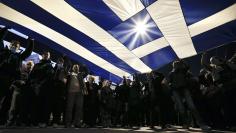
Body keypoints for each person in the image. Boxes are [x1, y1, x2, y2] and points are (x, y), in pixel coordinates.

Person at [0, 27, 34, 124]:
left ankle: (2, 120)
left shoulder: (19, 57)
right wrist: (5, 29)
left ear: (19, 48)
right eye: (13, 45)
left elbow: (28, 52)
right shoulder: (3, 52)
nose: (14, 46)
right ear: (9, 45)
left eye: (16, 46)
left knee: (7, 102)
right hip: (1, 78)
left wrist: (31, 41)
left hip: (11, 82)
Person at [168, 60, 211, 131]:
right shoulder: (171, 73)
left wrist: (182, 61)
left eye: (178, 64)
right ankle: (186, 124)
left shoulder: (183, 71)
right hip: (175, 91)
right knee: (181, 109)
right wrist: (172, 92)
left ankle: (202, 124)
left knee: (192, 106)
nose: (177, 65)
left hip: (185, 89)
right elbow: (169, 83)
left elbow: (188, 66)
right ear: (173, 66)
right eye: (175, 64)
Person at [28, 51, 54, 127]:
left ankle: (43, 121)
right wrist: (34, 84)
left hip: (45, 89)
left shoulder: (50, 66)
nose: (46, 55)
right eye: (44, 54)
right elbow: (31, 76)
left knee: (44, 105)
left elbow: (50, 77)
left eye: (47, 55)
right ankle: (34, 121)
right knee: (35, 104)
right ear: (42, 55)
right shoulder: (37, 65)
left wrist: (41, 84)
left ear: (49, 57)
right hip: (35, 87)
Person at [6, 61, 34, 127]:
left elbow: (32, 83)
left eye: (31, 65)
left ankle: (19, 122)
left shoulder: (32, 74)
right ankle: (10, 121)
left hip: (25, 93)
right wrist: (19, 82)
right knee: (13, 107)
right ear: (26, 65)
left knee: (22, 108)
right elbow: (14, 80)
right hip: (17, 91)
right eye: (28, 64)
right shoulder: (20, 71)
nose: (29, 66)